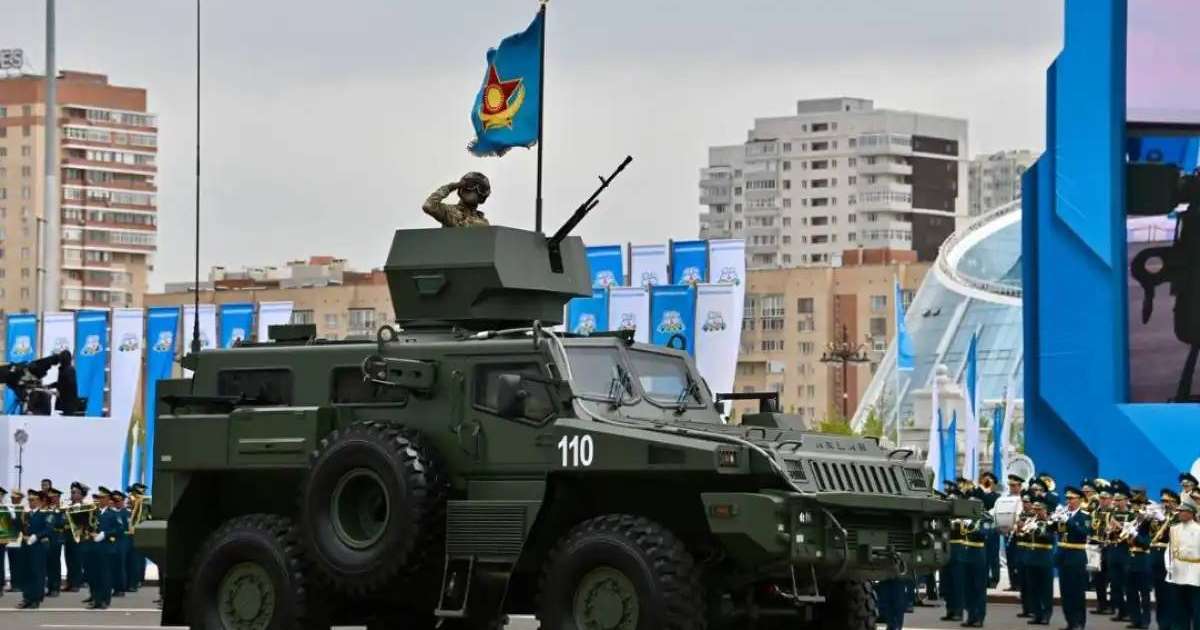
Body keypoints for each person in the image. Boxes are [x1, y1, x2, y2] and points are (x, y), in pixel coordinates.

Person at [1054, 486, 1091, 630]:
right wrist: (1055, 520)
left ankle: (1079, 622)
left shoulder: (1085, 516)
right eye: (1067, 498)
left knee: (1077, 592)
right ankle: (1070, 622)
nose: (1068, 501)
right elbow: (1059, 533)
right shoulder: (1065, 513)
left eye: (1071, 498)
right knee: (1065, 592)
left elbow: (1084, 532)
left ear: (1080, 499)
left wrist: (1068, 521)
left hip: (1076, 556)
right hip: (1063, 556)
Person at [1168, 498, 1200, 629]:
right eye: (1179, 511)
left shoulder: (1198, 530)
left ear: (1191, 513)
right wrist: (1169, 566)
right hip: (1178, 571)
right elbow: (1170, 550)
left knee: (1197, 608)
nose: (1180, 513)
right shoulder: (1174, 529)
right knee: (1179, 607)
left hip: (1195, 572)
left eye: (1183, 511)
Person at [1025, 497, 1057, 626]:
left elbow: (1050, 539)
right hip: (1031, 558)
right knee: (1033, 589)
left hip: (1044, 559)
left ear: (1045, 510)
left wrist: (1038, 529)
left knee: (1045, 590)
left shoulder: (1050, 523)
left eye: (1039, 509)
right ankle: (1037, 614)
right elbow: (1024, 537)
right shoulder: (1030, 521)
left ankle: (1046, 615)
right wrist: (1023, 528)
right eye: (1035, 509)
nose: (1037, 512)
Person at [1125, 489, 1153, 629]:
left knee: (1144, 593)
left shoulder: (1149, 524)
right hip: (1131, 559)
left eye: (1139, 506)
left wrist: (1135, 534)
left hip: (1143, 559)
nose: (1136, 509)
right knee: (1131, 592)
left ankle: (1146, 620)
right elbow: (1126, 541)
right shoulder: (1132, 521)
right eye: (1134, 506)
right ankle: (1135, 619)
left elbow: (1147, 543)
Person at [422, 172, 492, 227]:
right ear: (461, 188)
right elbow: (429, 206)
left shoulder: (483, 222)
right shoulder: (450, 212)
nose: (473, 190)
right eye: (469, 185)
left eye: (480, 189)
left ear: (482, 197)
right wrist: (450, 187)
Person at [18, 489, 49, 609]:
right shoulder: (26, 514)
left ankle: (36, 599)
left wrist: (35, 537)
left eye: (33, 500)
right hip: (26, 546)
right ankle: (27, 597)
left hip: (38, 547)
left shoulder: (45, 513)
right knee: (26, 572)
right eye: (29, 500)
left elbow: (48, 529)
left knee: (37, 573)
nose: (30, 502)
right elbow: (21, 527)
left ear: (40, 501)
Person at [1152, 489, 1178, 630]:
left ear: (1175, 502)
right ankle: (1161, 623)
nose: (1165, 504)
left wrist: (1163, 520)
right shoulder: (1163, 516)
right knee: (1159, 593)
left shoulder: (1178, 516)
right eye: (1163, 501)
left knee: (1169, 594)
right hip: (1157, 558)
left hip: (1170, 558)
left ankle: (1170, 623)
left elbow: (1176, 534)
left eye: (1167, 501)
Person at [1108, 482, 1134, 623]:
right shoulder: (1112, 513)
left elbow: (1131, 532)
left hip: (1126, 550)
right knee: (1115, 583)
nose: (1116, 502)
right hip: (1113, 549)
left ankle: (1130, 611)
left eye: (1119, 500)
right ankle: (1121, 611)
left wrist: (1118, 526)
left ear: (1125, 500)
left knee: (1127, 583)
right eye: (1115, 499)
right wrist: (1108, 530)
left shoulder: (1131, 515)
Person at [961, 508, 991, 627]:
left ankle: (979, 617)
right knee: (967, 589)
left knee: (978, 588)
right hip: (966, 556)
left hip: (978, 556)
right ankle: (971, 616)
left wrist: (972, 525)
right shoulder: (964, 518)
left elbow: (984, 534)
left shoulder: (985, 519)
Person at [1091, 483, 1115, 616]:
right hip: (1096, 548)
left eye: (1105, 498)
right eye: (1101, 498)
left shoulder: (1114, 512)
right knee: (1098, 578)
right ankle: (1101, 604)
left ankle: (1112, 605)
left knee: (1111, 577)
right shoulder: (1095, 512)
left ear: (1111, 499)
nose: (1102, 500)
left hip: (1110, 547)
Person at [978, 472, 1002, 588]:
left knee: (993, 555)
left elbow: (991, 503)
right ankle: (984, 578)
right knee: (983, 554)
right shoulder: (980, 493)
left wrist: (987, 491)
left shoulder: (997, 496)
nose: (987, 483)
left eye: (989, 481)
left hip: (993, 527)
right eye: (985, 481)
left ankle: (995, 579)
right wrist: (982, 489)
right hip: (982, 527)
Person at [64, 482, 88, 592]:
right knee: (69, 561)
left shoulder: (85, 507)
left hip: (79, 538)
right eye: (72, 492)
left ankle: (76, 584)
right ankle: (69, 583)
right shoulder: (67, 507)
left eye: (75, 492)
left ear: (81, 495)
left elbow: (86, 523)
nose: (72, 494)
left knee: (77, 562)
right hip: (68, 537)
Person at [1006, 474, 1027, 593]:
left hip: (1020, 532)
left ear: (1020, 486)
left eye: (1014, 485)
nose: (1011, 488)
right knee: (1010, 558)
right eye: (1010, 485)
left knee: (1018, 559)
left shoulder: (1023, 498)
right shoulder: (1007, 498)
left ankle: (1019, 583)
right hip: (1009, 531)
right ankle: (1012, 583)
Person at [110, 490, 129, 598]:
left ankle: (120, 588)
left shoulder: (126, 513)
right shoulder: (111, 512)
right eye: (114, 500)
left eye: (118, 501)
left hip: (121, 541)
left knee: (119, 565)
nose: (116, 503)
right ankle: (113, 586)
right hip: (110, 542)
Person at [7, 489, 26, 594]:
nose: (12, 499)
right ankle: (14, 584)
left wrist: (14, 518)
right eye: (12, 497)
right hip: (10, 538)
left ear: (19, 498)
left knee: (19, 562)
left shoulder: (23, 508)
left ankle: (19, 585)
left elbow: (23, 524)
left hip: (19, 538)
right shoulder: (9, 508)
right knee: (12, 562)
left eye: (14, 497)